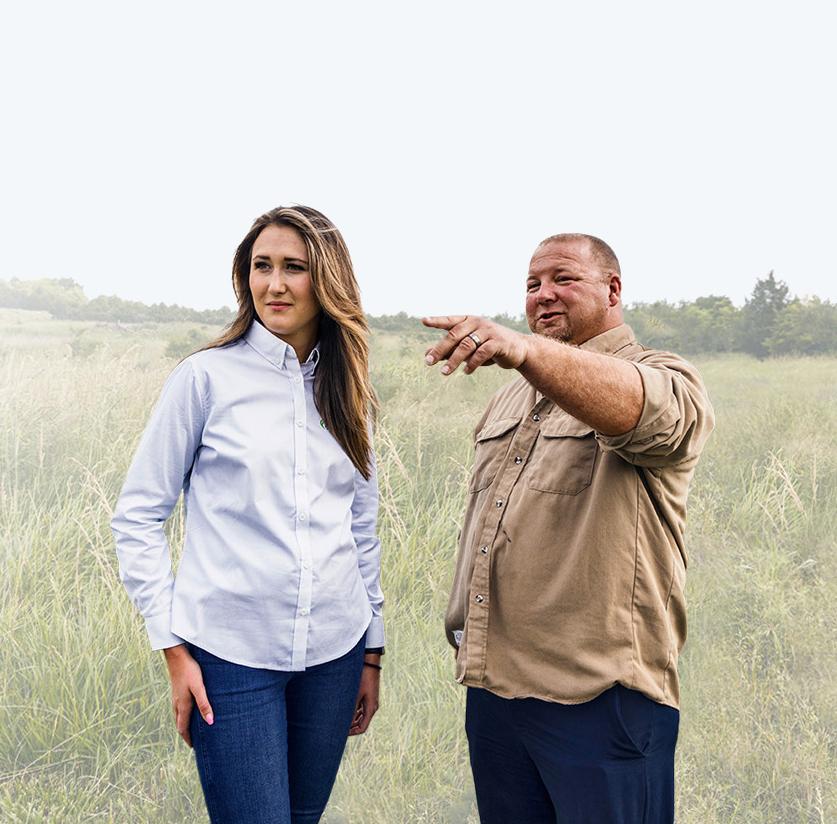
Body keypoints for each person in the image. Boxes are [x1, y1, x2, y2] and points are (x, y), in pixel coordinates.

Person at [423, 233, 714, 824]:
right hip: (496, 691)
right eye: (532, 285)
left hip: (600, 699)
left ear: (613, 290)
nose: (543, 295)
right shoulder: (510, 398)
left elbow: (640, 408)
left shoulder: (663, 377)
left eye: (563, 279)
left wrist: (526, 351)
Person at [111, 205, 385, 824]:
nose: (275, 284)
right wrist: (174, 649)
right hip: (228, 659)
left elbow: (360, 528)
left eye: (295, 267)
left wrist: (372, 652)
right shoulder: (204, 379)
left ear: (329, 280)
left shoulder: (350, 392)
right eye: (262, 266)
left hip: (335, 655)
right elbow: (137, 515)